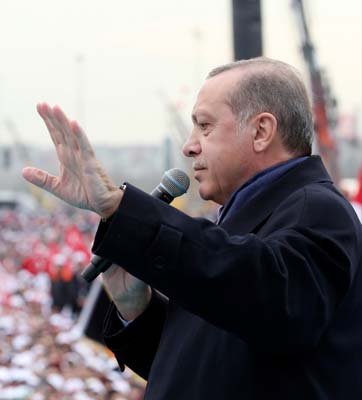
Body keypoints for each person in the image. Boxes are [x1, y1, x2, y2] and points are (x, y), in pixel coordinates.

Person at [22, 57, 362, 399]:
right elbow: (207, 368)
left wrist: (129, 215)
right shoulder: (239, 222)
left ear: (261, 131)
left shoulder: (316, 208)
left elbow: (278, 307)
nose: (189, 146)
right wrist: (137, 309)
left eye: (205, 126)